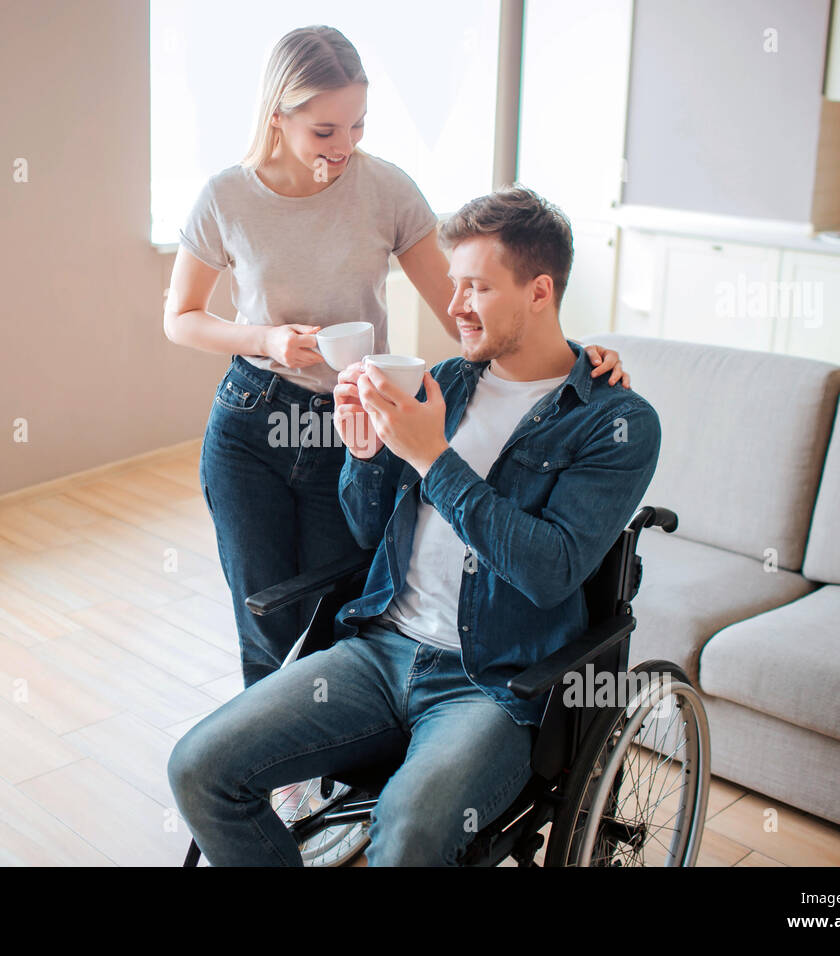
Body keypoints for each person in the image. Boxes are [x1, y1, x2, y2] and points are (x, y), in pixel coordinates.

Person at [168, 185, 662, 866]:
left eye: (477, 288)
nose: (452, 306)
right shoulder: (443, 383)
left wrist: (432, 455)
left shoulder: (615, 422)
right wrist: (366, 453)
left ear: (539, 291)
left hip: (491, 684)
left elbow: (548, 571)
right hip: (378, 652)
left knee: (409, 831)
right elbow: (369, 532)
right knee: (198, 767)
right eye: (453, 283)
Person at [163, 25, 630, 691]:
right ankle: (280, 774)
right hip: (253, 421)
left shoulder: (385, 190)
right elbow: (179, 318)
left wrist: (571, 358)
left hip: (355, 420)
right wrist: (265, 340)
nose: (345, 146)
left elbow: (467, 309)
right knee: (262, 607)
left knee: (340, 600)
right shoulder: (226, 198)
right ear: (278, 116)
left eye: (358, 125)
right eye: (325, 131)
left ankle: (326, 745)